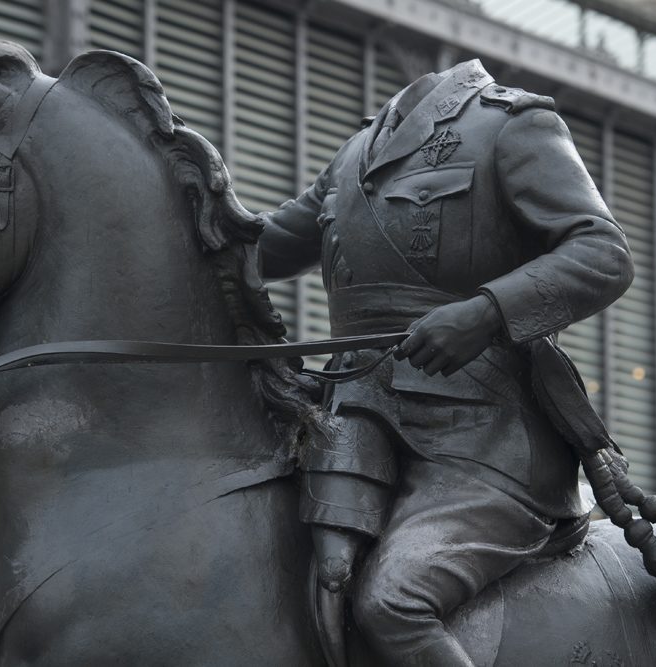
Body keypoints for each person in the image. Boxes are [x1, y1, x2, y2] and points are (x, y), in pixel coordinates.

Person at [257, 59, 634, 666]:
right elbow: (264, 246)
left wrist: (486, 312)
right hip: (354, 428)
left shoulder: (510, 124)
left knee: (394, 601)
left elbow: (602, 253)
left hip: (485, 445)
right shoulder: (357, 152)